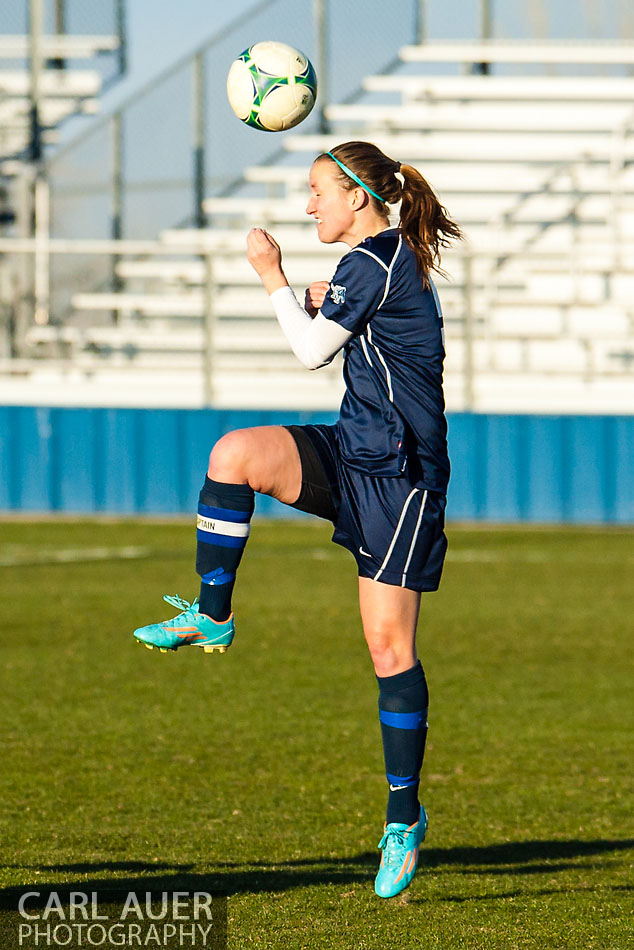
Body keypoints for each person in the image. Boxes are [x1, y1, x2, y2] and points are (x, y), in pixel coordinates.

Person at [133, 141, 462, 899]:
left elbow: (313, 354)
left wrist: (274, 279)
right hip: (354, 451)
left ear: (356, 196)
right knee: (233, 455)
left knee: (389, 652)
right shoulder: (373, 263)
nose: (307, 203)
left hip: (401, 480)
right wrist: (314, 292)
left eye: (317, 190)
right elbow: (348, 322)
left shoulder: (375, 262)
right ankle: (213, 616)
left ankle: (403, 821)